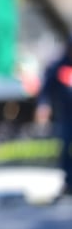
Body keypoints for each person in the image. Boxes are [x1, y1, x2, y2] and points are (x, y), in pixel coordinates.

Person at [34, 35, 72, 201]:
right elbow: (46, 89)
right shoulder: (59, 66)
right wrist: (43, 106)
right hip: (66, 115)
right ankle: (69, 182)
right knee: (65, 147)